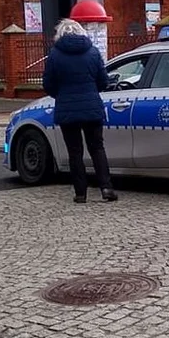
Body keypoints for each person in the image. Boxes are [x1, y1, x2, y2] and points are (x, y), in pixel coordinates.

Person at [42, 19, 117, 203]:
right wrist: (92, 91)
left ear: (59, 34)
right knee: (97, 148)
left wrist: (61, 95)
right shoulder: (92, 52)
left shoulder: (54, 55)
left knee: (75, 152)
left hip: (67, 109)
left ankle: (80, 193)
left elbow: (48, 84)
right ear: (81, 31)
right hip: (92, 107)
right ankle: (106, 188)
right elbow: (103, 81)